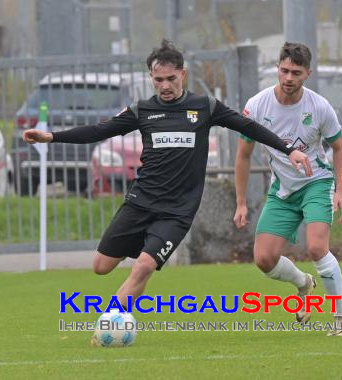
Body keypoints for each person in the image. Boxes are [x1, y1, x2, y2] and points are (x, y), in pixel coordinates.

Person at [22, 40, 312, 342]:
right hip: (140, 202)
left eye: (171, 78)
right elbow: (98, 131)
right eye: (158, 79)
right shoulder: (142, 110)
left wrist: (288, 149)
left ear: (182, 75)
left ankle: (109, 326)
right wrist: (50, 136)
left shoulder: (205, 107)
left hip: (177, 211)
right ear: (151, 78)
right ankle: (126, 298)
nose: (165, 85)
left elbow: (249, 127)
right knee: (101, 267)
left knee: (144, 266)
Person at [233, 42, 342, 336]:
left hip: (317, 183)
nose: (288, 78)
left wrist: (339, 191)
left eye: (296, 73)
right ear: (278, 68)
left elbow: (339, 148)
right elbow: (243, 155)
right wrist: (241, 202)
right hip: (283, 191)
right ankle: (303, 284)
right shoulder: (258, 105)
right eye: (284, 70)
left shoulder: (319, 107)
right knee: (263, 259)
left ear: (307, 74)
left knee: (316, 247)